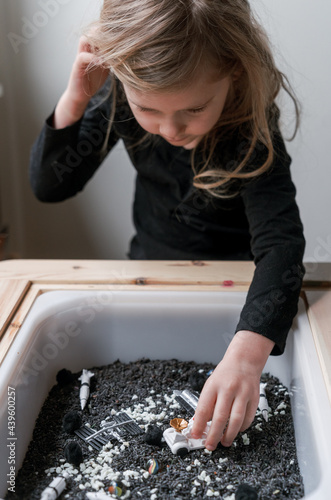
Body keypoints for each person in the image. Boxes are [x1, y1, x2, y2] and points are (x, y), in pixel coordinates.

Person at [29, 0, 305, 451]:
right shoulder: (120, 94)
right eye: (149, 110)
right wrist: (76, 97)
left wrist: (247, 356)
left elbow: (282, 246)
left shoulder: (251, 126)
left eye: (193, 109)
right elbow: (50, 186)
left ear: (233, 72)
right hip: (151, 269)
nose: (170, 129)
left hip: (236, 288)